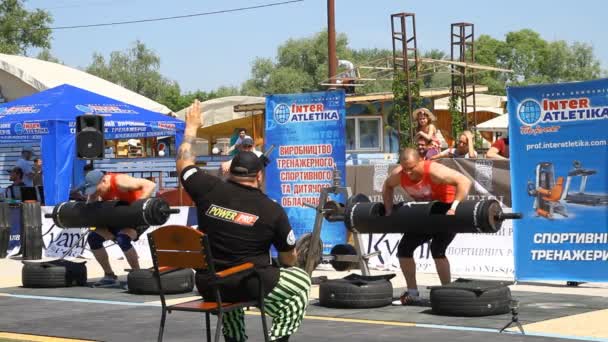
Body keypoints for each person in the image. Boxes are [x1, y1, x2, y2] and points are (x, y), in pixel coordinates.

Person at [177, 99, 311, 342]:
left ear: (229, 171)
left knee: (228, 278)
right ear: (259, 176)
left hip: (210, 284)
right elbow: (288, 259)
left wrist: (191, 128)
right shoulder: (272, 210)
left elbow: (184, 163)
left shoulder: (207, 188)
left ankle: (234, 338)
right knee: (301, 282)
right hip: (246, 283)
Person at [383, 148, 472, 305]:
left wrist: (455, 207)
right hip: (425, 213)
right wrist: (388, 210)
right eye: (405, 168)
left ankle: (447, 292)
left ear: (420, 161)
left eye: (412, 168)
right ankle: (413, 293)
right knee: (404, 249)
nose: (408, 173)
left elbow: (465, 181)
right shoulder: (399, 174)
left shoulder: (434, 171)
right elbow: (387, 186)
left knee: (437, 250)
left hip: (446, 211)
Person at [83, 169, 157, 286]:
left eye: (97, 189)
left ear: (103, 181)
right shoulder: (96, 190)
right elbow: (90, 208)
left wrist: (137, 208)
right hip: (117, 218)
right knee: (93, 238)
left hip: (137, 217)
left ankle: (137, 276)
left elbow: (150, 185)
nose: (96, 193)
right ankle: (109, 276)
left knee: (123, 239)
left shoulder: (120, 181)